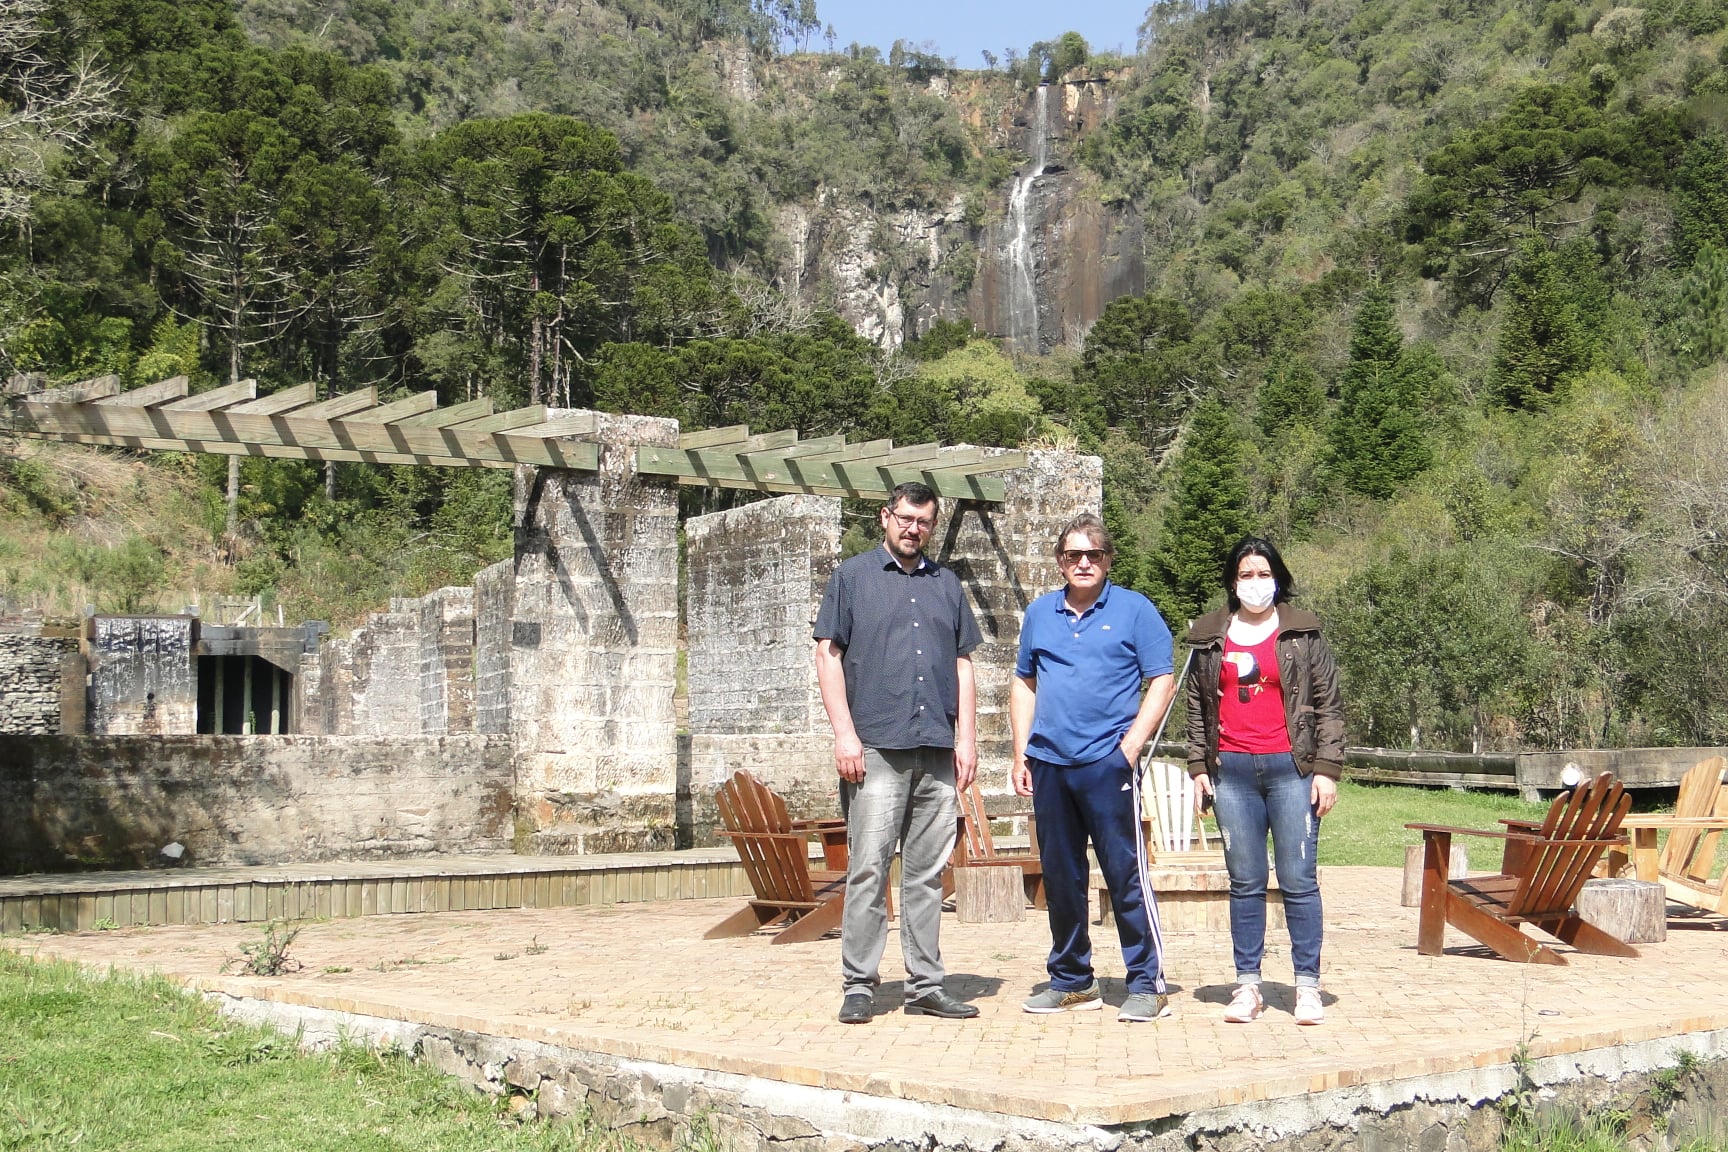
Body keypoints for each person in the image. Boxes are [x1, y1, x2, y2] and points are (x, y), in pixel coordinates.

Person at [814, 481, 982, 1024]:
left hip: (936, 745)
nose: (913, 529)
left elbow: (963, 664)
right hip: (876, 746)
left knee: (926, 875)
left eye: (924, 521)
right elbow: (828, 653)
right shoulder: (853, 578)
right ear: (885, 517)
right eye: (905, 518)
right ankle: (860, 984)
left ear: (933, 525)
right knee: (868, 869)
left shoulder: (948, 584)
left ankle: (926, 986)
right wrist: (844, 733)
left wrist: (967, 738)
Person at [1010, 513, 1177, 1023]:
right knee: (1061, 879)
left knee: (1125, 874)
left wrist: (1129, 748)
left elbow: (1162, 680)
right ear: (1060, 561)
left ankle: (1147, 982)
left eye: (1094, 554)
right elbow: (1023, 683)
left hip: (1108, 764)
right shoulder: (1040, 613)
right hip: (1049, 765)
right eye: (1073, 555)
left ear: (1108, 560)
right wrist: (1022, 751)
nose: (1084, 563)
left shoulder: (1135, 610)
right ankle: (1072, 980)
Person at [1185, 536, 1344, 1026]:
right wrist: (1196, 768)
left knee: (1298, 879)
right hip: (1230, 770)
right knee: (1245, 882)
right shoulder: (1209, 636)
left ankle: (1307, 987)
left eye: (1263, 573)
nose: (1255, 583)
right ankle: (1248, 986)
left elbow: (1328, 705)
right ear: (1233, 582)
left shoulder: (1303, 633)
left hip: (1291, 771)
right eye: (1246, 575)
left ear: (1278, 577)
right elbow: (1195, 707)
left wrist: (1327, 770)